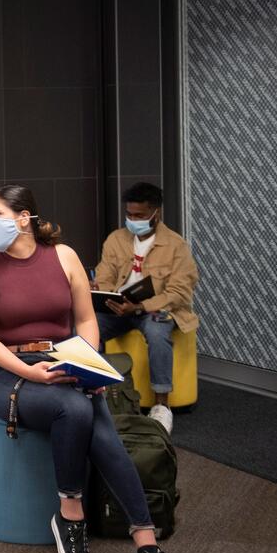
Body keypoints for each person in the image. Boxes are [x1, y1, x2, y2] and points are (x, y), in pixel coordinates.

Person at [0, 184, 183, 553]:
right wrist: (33, 374)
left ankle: (145, 544)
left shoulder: (64, 257)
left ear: (23, 218)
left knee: (94, 417)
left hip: (65, 360)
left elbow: (85, 320)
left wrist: (87, 362)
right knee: (79, 409)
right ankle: (72, 513)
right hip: (8, 372)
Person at [92, 182, 199, 433]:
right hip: (119, 309)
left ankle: (162, 404)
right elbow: (105, 275)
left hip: (155, 310)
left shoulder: (176, 246)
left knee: (156, 331)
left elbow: (180, 292)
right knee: (88, 326)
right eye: (129, 214)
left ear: (155, 214)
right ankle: (94, 393)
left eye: (139, 215)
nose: (132, 220)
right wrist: (106, 296)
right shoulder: (116, 239)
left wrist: (140, 306)